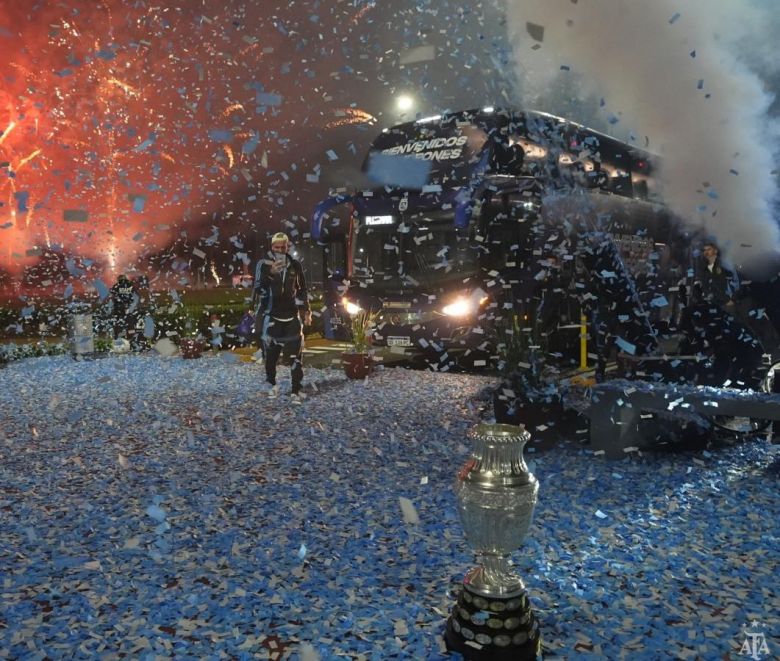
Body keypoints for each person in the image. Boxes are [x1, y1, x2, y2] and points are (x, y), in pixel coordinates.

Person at [253, 232, 312, 400]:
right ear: (271, 247)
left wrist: (306, 310)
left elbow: (302, 290)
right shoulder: (263, 264)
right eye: (277, 247)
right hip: (271, 316)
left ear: (288, 247)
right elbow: (258, 288)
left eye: (283, 247)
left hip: (292, 317)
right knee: (271, 356)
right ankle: (271, 383)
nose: (280, 250)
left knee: (296, 355)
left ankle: (296, 389)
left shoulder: (295, 265)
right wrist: (270, 272)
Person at [109, 274, 138, 340]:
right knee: (130, 323)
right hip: (128, 307)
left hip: (118, 307)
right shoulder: (130, 285)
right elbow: (135, 296)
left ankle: (116, 337)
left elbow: (112, 296)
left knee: (117, 322)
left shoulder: (116, 286)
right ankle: (130, 337)